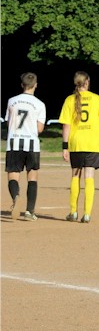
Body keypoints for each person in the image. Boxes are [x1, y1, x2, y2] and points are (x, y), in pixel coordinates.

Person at [58, 71, 99, 224]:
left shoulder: (70, 99)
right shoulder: (97, 99)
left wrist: (65, 147)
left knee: (75, 176)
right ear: (87, 81)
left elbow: (66, 126)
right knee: (89, 177)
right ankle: (87, 214)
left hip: (76, 143)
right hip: (93, 143)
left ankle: (73, 212)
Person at [4, 72, 46, 221]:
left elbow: (9, 122)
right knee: (32, 177)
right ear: (36, 85)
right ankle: (29, 211)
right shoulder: (40, 104)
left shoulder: (12, 101)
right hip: (32, 144)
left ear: (22, 85)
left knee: (13, 175)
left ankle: (16, 196)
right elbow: (40, 128)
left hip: (14, 142)